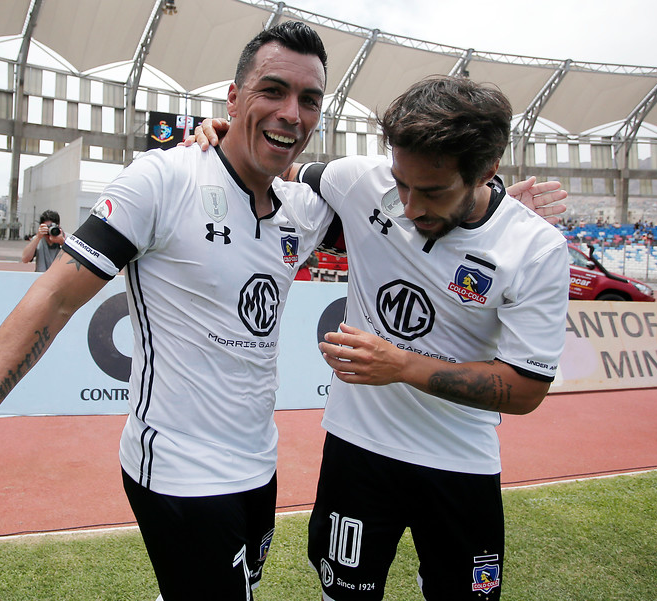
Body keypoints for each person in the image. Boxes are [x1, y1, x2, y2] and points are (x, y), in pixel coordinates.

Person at [0, 25, 562, 600]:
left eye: (308, 99)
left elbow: (422, 227)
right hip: (178, 471)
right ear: (233, 98)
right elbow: (53, 296)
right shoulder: (163, 180)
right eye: (272, 91)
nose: (291, 113)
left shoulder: (307, 208)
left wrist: (499, 206)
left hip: (257, 468)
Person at [193, 76, 569, 600]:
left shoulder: (536, 248)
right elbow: (277, 168)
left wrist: (401, 365)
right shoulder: (360, 181)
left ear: (486, 171)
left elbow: (526, 389)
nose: (410, 207)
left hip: (460, 463)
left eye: (432, 192)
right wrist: (223, 138)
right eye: (401, 184)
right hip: (358, 452)